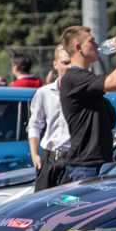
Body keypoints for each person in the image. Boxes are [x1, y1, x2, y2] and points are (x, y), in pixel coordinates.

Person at [59, 26, 116, 183]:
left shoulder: (84, 78)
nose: (97, 45)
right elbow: (115, 82)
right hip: (86, 165)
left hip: (96, 162)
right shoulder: (74, 78)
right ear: (78, 47)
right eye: (91, 41)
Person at [29, 45, 74, 192]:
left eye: (72, 62)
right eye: (65, 63)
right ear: (55, 64)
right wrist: (35, 155)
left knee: (69, 203)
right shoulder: (44, 93)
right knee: (42, 204)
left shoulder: (82, 93)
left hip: (71, 158)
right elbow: (35, 123)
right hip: (48, 157)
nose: (70, 67)